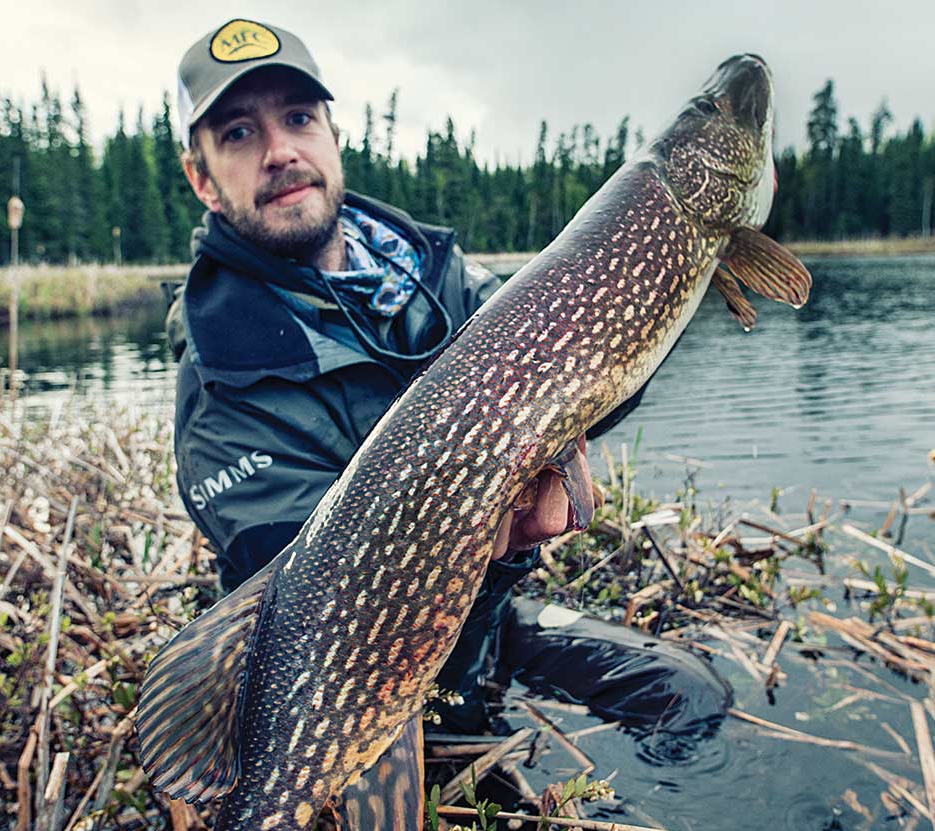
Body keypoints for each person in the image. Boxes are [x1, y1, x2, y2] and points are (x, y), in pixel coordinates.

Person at [167, 18, 729, 734]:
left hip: (492, 616)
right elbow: (327, 631)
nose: (280, 151)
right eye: (239, 134)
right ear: (202, 179)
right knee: (477, 790)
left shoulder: (434, 273)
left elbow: (580, 382)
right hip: (353, 689)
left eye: (299, 117)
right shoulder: (220, 400)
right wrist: (492, 545)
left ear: (333, 138)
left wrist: (657, 278)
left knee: (687, 696)